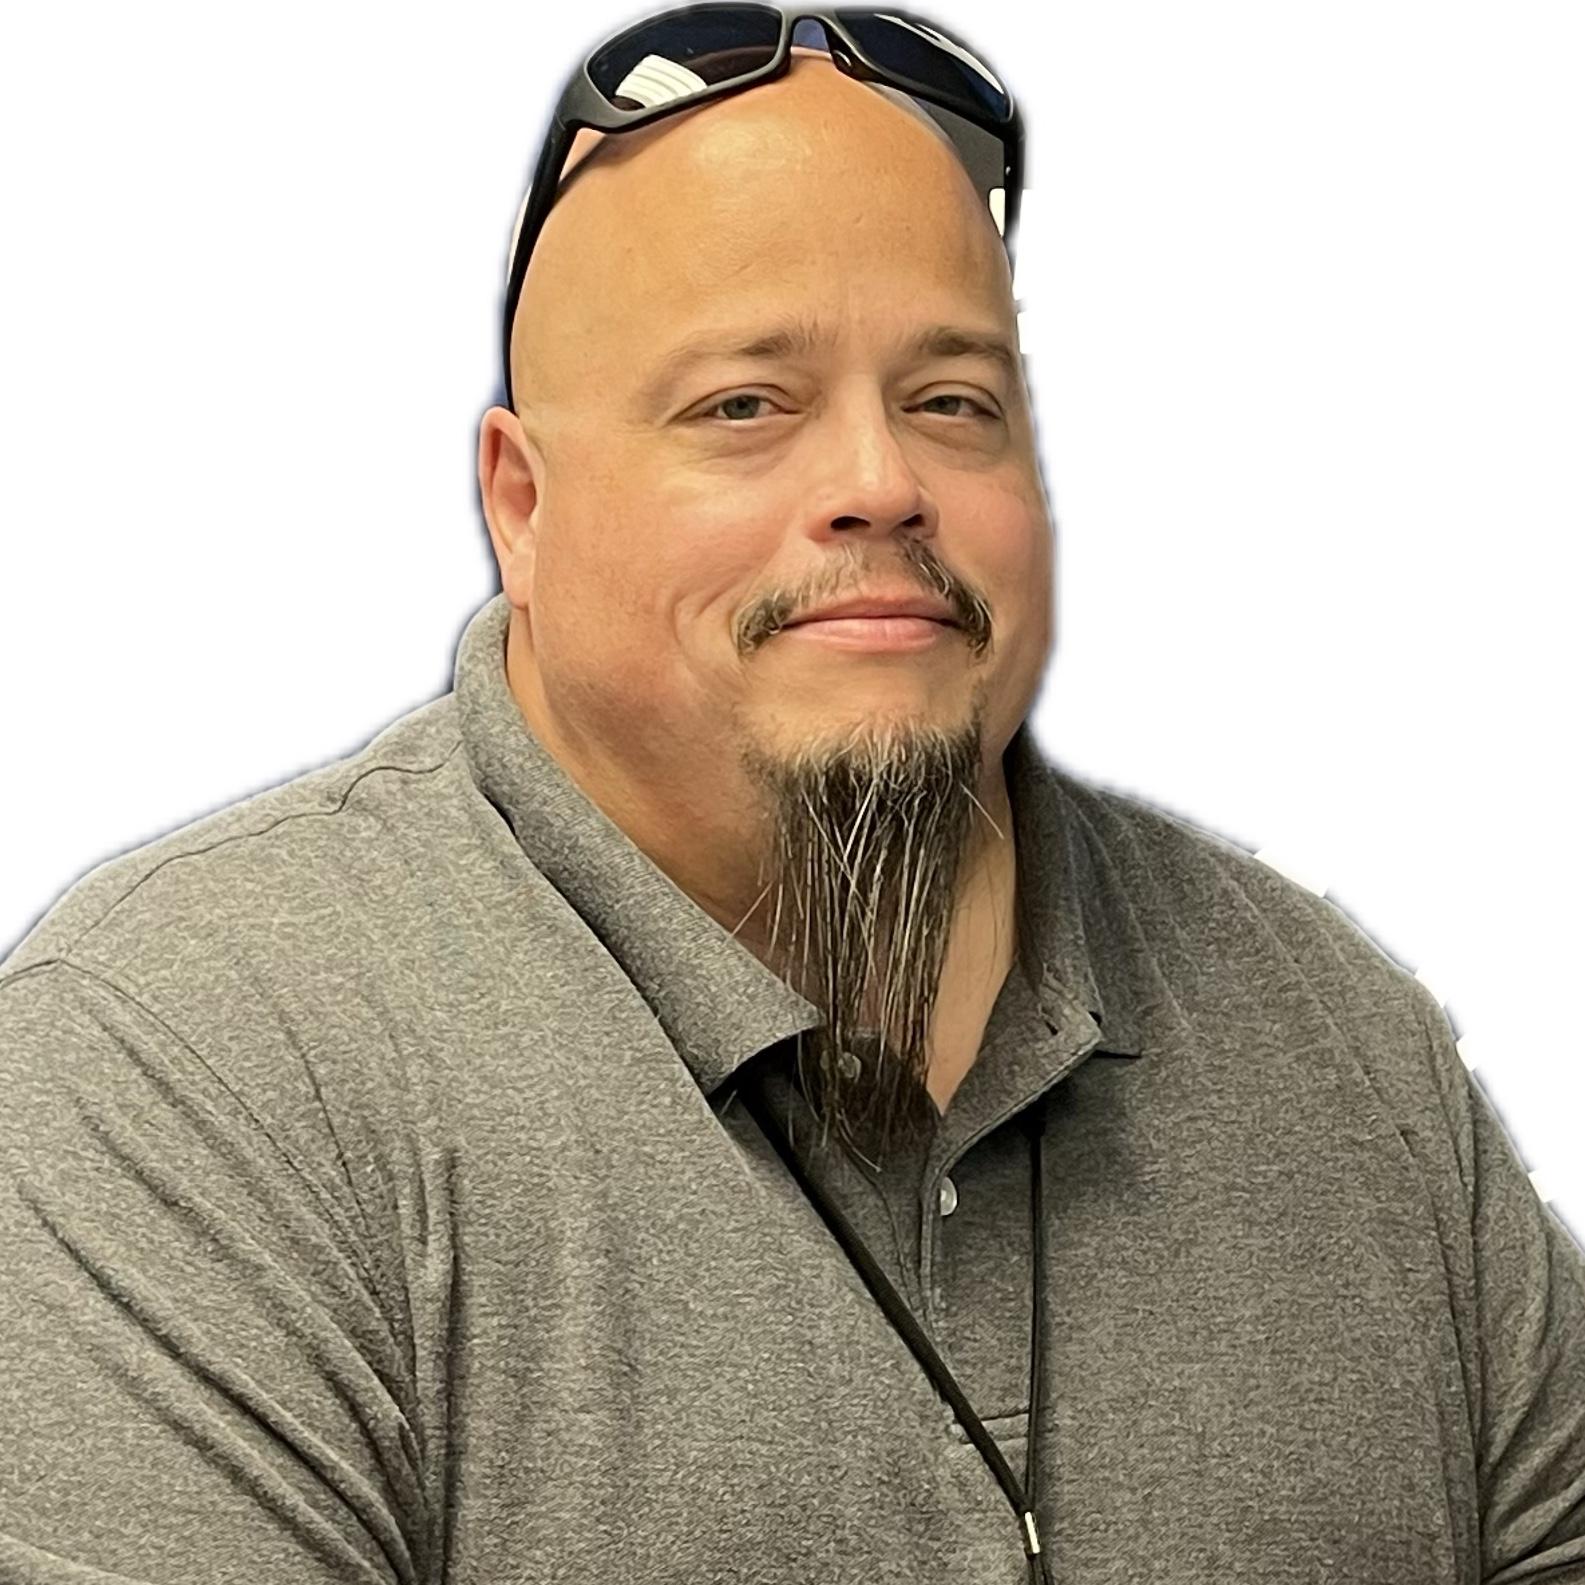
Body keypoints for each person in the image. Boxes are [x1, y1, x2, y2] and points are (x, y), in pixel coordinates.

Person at [2, 17, 1581, 1585]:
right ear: (522, 508)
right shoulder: (179, 1068)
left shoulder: (1343, 1043)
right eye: (744, 405)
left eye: (952, 400)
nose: (881, 481)